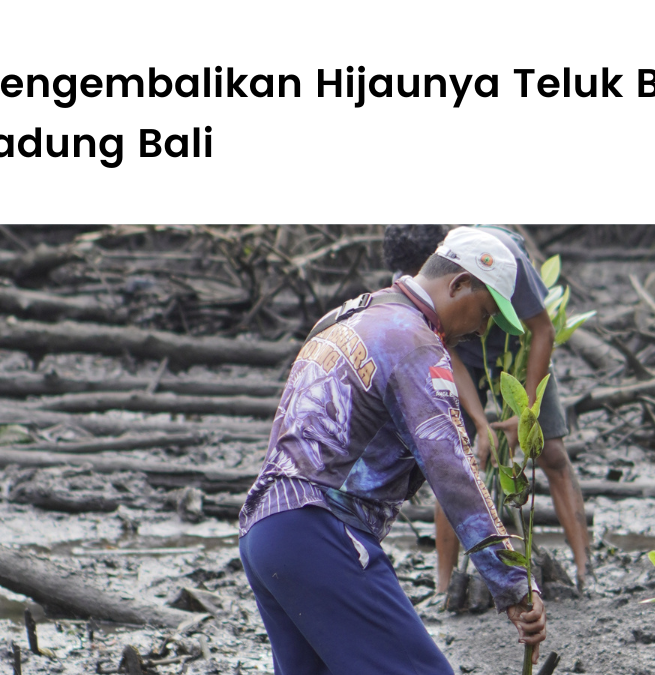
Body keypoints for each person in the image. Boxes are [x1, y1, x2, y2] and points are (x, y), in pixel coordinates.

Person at [238, 227, 546, 675]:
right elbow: (452, 470)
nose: (481, 330)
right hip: (318, 530)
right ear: (458, 284)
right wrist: (513, 581)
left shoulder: (346, 318)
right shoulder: (416, 342)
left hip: (263, 531)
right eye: (484, 313)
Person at [382, 225, 592, 593]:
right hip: (460, 352)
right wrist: (479, 423)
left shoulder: (501, 258)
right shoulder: (409, 279)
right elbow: (442, 349)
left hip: (519, 348)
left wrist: (524, 414)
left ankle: (586, 572)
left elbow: (541, 330)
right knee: (453, 459)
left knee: (552, 452)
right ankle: (445, 586)